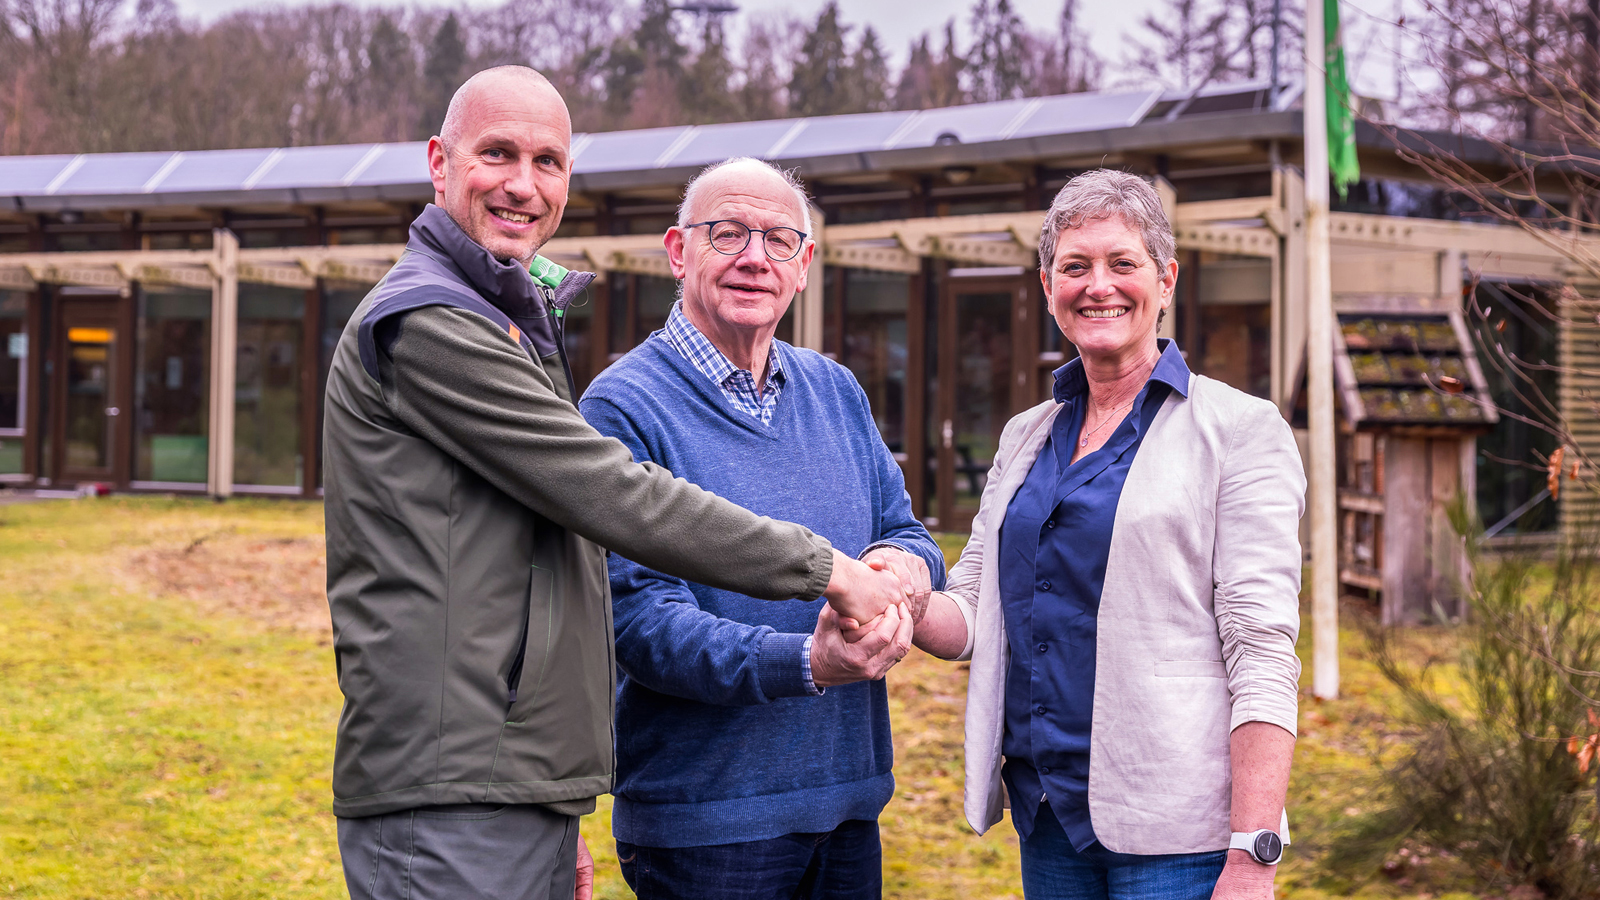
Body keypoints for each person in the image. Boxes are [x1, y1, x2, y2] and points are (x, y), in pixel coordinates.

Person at [322, 68, 903, 900]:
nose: (524, 184)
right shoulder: (432, 323)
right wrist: (830, 572)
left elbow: (536, 571)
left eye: (548, 162)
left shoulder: (500, 317)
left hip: (501, 785)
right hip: (455, 789)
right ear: (439, 164)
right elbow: (614, 495)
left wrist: (554, 808)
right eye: (497, 154)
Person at [911, 169, 1305, 900]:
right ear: (1047, 283)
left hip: (1178, 841)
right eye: (1075, 266)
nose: (1099, 285)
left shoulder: (1241, 431)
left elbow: (1262, 650)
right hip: (1048, 817)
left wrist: (1253, 855)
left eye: (1122, 263)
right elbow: (972, 609)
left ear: (1166, 279)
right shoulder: (1026, 435)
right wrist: (890, 594)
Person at [577, 156, 945, 900]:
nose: (754, 258)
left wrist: (895, 578)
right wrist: (806, 663)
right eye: (729, 233)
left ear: (803, 266)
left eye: (779, 240)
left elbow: (910, 535)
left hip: (846, 797)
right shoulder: (621, 407)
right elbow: (641, 625)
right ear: (678, 252)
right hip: (706, 819)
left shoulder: (835, 390)